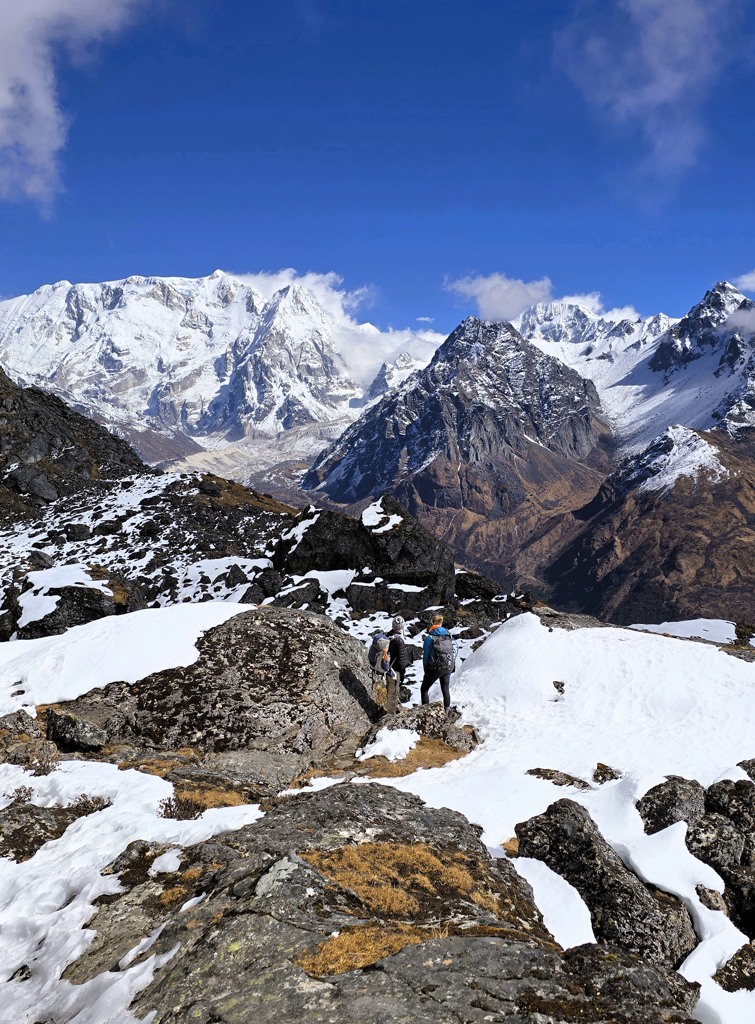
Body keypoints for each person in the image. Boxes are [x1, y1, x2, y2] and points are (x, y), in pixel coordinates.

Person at [421, 613, 455, 716]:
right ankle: (446, 712)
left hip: (435, 668)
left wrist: (426, 671)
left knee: (424, 689)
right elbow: (451, 651)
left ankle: (425, 713)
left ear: (432, 622)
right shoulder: (447, 634)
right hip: (448, 665)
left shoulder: (430, 638)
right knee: (445, 689)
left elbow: (426, 656)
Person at [386, 616, 408, 714]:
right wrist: (402, 673)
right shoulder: (400, 641)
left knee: (389, 690)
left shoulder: (388, 636)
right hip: (395, 671)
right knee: (393, 693)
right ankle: (391, 715)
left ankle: (389, 710)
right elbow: (401, 661)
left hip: (386, 667)